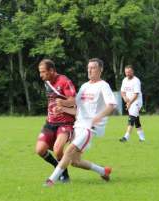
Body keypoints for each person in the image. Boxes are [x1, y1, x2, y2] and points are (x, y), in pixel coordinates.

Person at [44, 58, 117, 187]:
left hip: (89, 128)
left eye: (93, 68)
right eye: (88, 67)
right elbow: (77, 108)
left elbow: (111, 105)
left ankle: (51, 180)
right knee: (75, 161)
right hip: (78, 125)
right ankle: (103, 171)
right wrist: (63, 108)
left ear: (100, 70)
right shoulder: (84, 86)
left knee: (68, 151)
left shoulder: (103, 85)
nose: (89, 70)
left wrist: (97, 118)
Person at [36, 59, 76, 183]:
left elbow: (73, 101)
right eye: (40, 72)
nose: (41, 75)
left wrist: (63, 103)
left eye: (43, 72)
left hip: (65, 123)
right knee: (40, 150)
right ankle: (57, 168)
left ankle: (65, 175)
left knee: (58, 149)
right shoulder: (47, 82)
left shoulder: (64, 81)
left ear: (52, 70)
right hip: (50, 122)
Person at [119, 65, 146, 142]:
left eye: (129, 72)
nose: (127, 74)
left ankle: (126, 137)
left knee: (131, 119)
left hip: (136, 102)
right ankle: (142, 138)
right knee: (136, 120)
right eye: (126, 72)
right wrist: (125, 98)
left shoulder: (136, 81)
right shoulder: (124, 80)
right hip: (129, 102)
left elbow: (136, 94)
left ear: (132, 72)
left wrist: (129, 103)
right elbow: (122, 91)